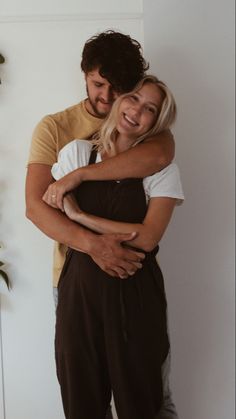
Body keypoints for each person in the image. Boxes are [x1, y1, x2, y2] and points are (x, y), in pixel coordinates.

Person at [25, 31, 177, 418]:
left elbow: (160, 157)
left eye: (119, 89)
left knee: (146, 397)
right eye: (98, 84)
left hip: (133, 283)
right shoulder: (60, 133)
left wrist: (79, 181)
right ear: (85, 74)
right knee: (83, 397)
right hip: (75, 279)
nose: (107, 98)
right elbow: (38, 207)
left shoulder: (152, 138)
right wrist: (94, 245)